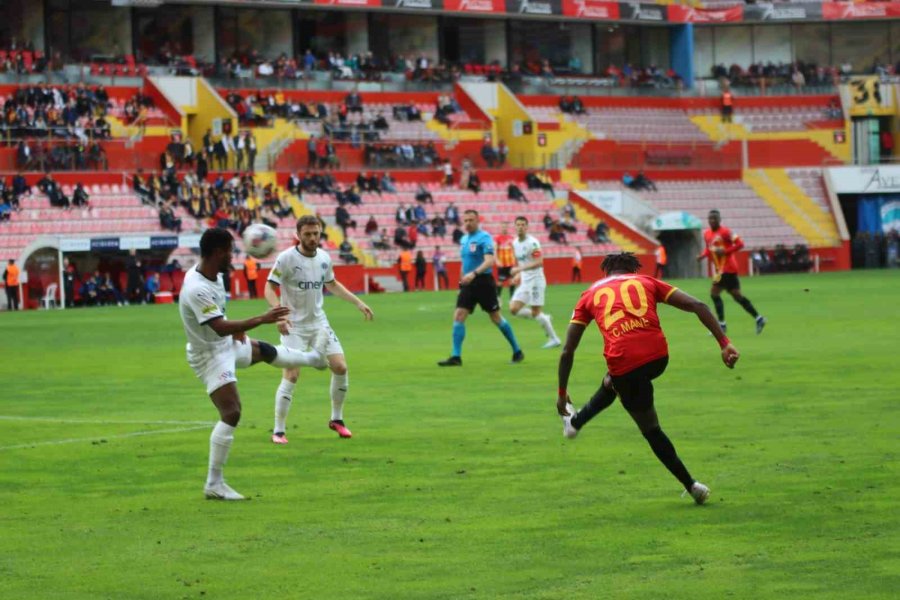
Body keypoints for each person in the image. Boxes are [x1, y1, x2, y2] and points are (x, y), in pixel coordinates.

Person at [556, 252, 740, 505]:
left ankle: (692, 486)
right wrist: (725, 344)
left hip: (624, 363)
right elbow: (698, 305)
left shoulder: (589, 294)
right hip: (659, 357)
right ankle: (575, 424)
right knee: (613, 381)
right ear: (632, 270)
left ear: (606, 272)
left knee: (650, 428)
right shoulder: (647, 281)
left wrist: (561, 394)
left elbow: (567, 351)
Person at [180, 228, 331, 500]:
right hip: (208, 355)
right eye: (229, 250)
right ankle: (214, 483)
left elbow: (220, 319)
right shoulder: (196, 287)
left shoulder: (214, 275)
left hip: (222, 343)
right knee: (232, 412)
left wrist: (237, 329)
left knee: (264, 351)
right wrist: (260, 319)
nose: (233, 255)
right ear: (217, 252)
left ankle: (315, 359)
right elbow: (218, 326)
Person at [264, 215, 375, 444]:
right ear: (298, 235)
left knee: (340, 366)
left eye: (316, 233)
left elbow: (332, 284)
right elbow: (269, 287)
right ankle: (279, 430)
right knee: (292, 374)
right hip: (294, 326)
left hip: (319, 324)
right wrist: (279, 314)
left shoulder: (324, 257)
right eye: (308, 234)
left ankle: (337, 419)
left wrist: (358, 302)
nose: (313, 238)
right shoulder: (286, 258)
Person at [438, 210, 523, 367]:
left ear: (477, 221)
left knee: (496, 318)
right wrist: (461, 284)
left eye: (471, 220)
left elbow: (490, 261)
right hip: (468, 284)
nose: (468, 223)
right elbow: (464, 264)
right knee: (458, 315)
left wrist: (474, 273)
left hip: (483, 282)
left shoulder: (485, 238)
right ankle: (456, 356)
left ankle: (517, 350)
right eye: (466, 220)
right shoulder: (464, 239)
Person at [698, 209, 766, 334]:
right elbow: (709, 249)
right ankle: (759, 318)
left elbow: (740, 244)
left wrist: (725, 251)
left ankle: (722, 325)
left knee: (714, 293)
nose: (712, 221)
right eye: (710, 218)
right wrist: (702, 256)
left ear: (719, 220)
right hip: (721, 270)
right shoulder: (707, 233)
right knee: (737, 296)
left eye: (714, 218)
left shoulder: (726, 232)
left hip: (727, 269)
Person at [507, 217, 561, 349]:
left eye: (523, 225)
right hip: (525, 281)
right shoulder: (514, 243)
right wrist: (519, 274)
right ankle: (544, 317)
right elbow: (521, 261)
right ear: (515, 227)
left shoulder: (533, 243)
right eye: (518, 224)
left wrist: (519, 269)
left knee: (535, 312)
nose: (520, 227)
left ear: (527, 227)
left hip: (537, 281)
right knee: (513, 309)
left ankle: (554, 339)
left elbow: (539, 262)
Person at [494, 223, 516, 299]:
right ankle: (498, 298)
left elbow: (514, 249)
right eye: (503, 227)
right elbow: (494, 250)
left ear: (508, 228)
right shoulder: (497, 238)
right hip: (502, 264)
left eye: (506, 227)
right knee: (500, 282)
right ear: (500, 228)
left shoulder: (511, 238)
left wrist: (515, 260)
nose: (504, 228)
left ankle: (512, 298)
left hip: (510, 263)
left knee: (512, 281)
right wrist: (496, 260)